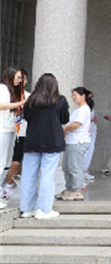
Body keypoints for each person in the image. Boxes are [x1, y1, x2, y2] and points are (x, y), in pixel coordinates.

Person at [19, 73, 69, 219]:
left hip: (32, 141)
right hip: (52, 142)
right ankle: (44, 209)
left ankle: (27, 208)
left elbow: (27, 118)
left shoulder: (31, 100)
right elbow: (65, 119)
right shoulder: (60, 100)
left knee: (28, 175)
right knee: (47, 175)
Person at [56, 87, 93, 201]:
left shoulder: (84, 109)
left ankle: (77, 191)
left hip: (78, 141)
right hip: (71, 141)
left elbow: (77, 124)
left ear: (83, 96)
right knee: (66, 167)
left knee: (74, 167)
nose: (73, 97)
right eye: (72, 95)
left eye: (75, 95)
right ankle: (69, 189)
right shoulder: (78, 110)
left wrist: (64, 129)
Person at [2, 68, 30, 202]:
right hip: (4, 129)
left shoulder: (22, 94)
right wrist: (20, 104)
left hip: (16, 131)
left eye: (22, 78)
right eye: (18, 78)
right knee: (3, 161)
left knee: (10, 163)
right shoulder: (4, 90)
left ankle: (5, 186)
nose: (20, 81)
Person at [83, 91, 98, 181]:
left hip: (93, 131)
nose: (92, 98)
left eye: (93, 96)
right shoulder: (83, 108)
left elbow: (96, 119)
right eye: (90, 97)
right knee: (85, 152)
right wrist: (92, 118)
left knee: (90, 152)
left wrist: (93, 119)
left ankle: (85, 171)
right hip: (86, 133)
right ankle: (81, 172)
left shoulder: (93, 109)